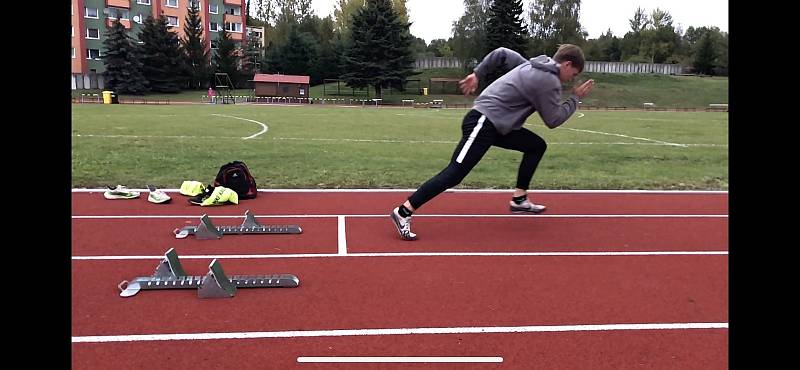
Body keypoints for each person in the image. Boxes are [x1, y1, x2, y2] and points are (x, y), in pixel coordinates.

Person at [389, 44, 595, 241]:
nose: (571, 80)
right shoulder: (549, 81)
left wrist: (477, 73)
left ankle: (520, 199)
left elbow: (502, 53)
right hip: (483, 121)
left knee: (535, 145)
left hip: (497, 126)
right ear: (566, 64)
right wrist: (574, 99)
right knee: (455, 173)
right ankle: (404, 210)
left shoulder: (531, 64)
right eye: (573, 74)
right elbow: (553, 120)